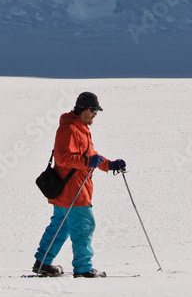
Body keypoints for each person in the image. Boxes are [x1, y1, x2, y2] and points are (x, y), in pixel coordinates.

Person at [33, 91, 126, 278]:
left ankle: (42, 263)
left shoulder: (80, 128)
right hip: (74, 190)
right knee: (84, 225)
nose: (95, 114)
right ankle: (83, 268)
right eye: (92, 110)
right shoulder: (69, 129)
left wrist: (110, 165)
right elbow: (63, 158)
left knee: (60, 227)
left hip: (68, 191)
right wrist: (87, 163)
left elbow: (91, 157)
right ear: (82, 108)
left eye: (96, 111)